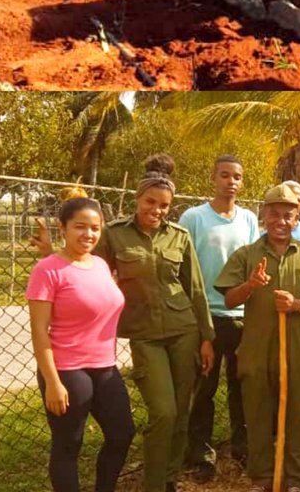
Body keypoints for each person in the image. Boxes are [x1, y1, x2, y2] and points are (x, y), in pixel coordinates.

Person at [96, 168, 215, 492]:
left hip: (184, 330)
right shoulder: (114, 234)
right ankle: (153, 484)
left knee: (181, 412)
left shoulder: (179, 235)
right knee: (163, 412)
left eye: (164, 205)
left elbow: (196, 289)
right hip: (144, 334)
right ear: (138, 199)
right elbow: (90, 273)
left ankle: (169, 480)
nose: (157, 210)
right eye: (151, 201)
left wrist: (207, 338)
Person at [216, 184, 300, 492]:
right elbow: (229, 299)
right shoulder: (247, 255)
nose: (280, 221)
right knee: (256, 412)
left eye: (287, 215)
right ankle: (263, 477)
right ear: (263, 215)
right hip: (257, 346)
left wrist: (299, 305)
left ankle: (296, 478)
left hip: (298, 346)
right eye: (273, 214)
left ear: (297, 219)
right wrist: (251, 285)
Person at [27, 195, 135, 492]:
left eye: (95, 228)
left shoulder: (100, 264)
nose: (88, 234)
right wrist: (52, 381)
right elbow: (39, 330)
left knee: (122, 433)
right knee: (68, 445)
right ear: (63, 228)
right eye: (80, 227)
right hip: (66, 370)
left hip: (105, 368)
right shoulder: (46, 270)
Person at [180, 155, 260, 483]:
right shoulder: (194, 217)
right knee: (204, 389)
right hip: (207, 316)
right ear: (213, 178)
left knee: (242, 386)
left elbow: (255, 265)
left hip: (242, 315)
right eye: (224, 175)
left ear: (242, 182)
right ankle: (200, 454)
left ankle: (242, 448)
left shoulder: (250, 220)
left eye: (237, 176)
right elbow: (182, 264)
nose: (231, 181)